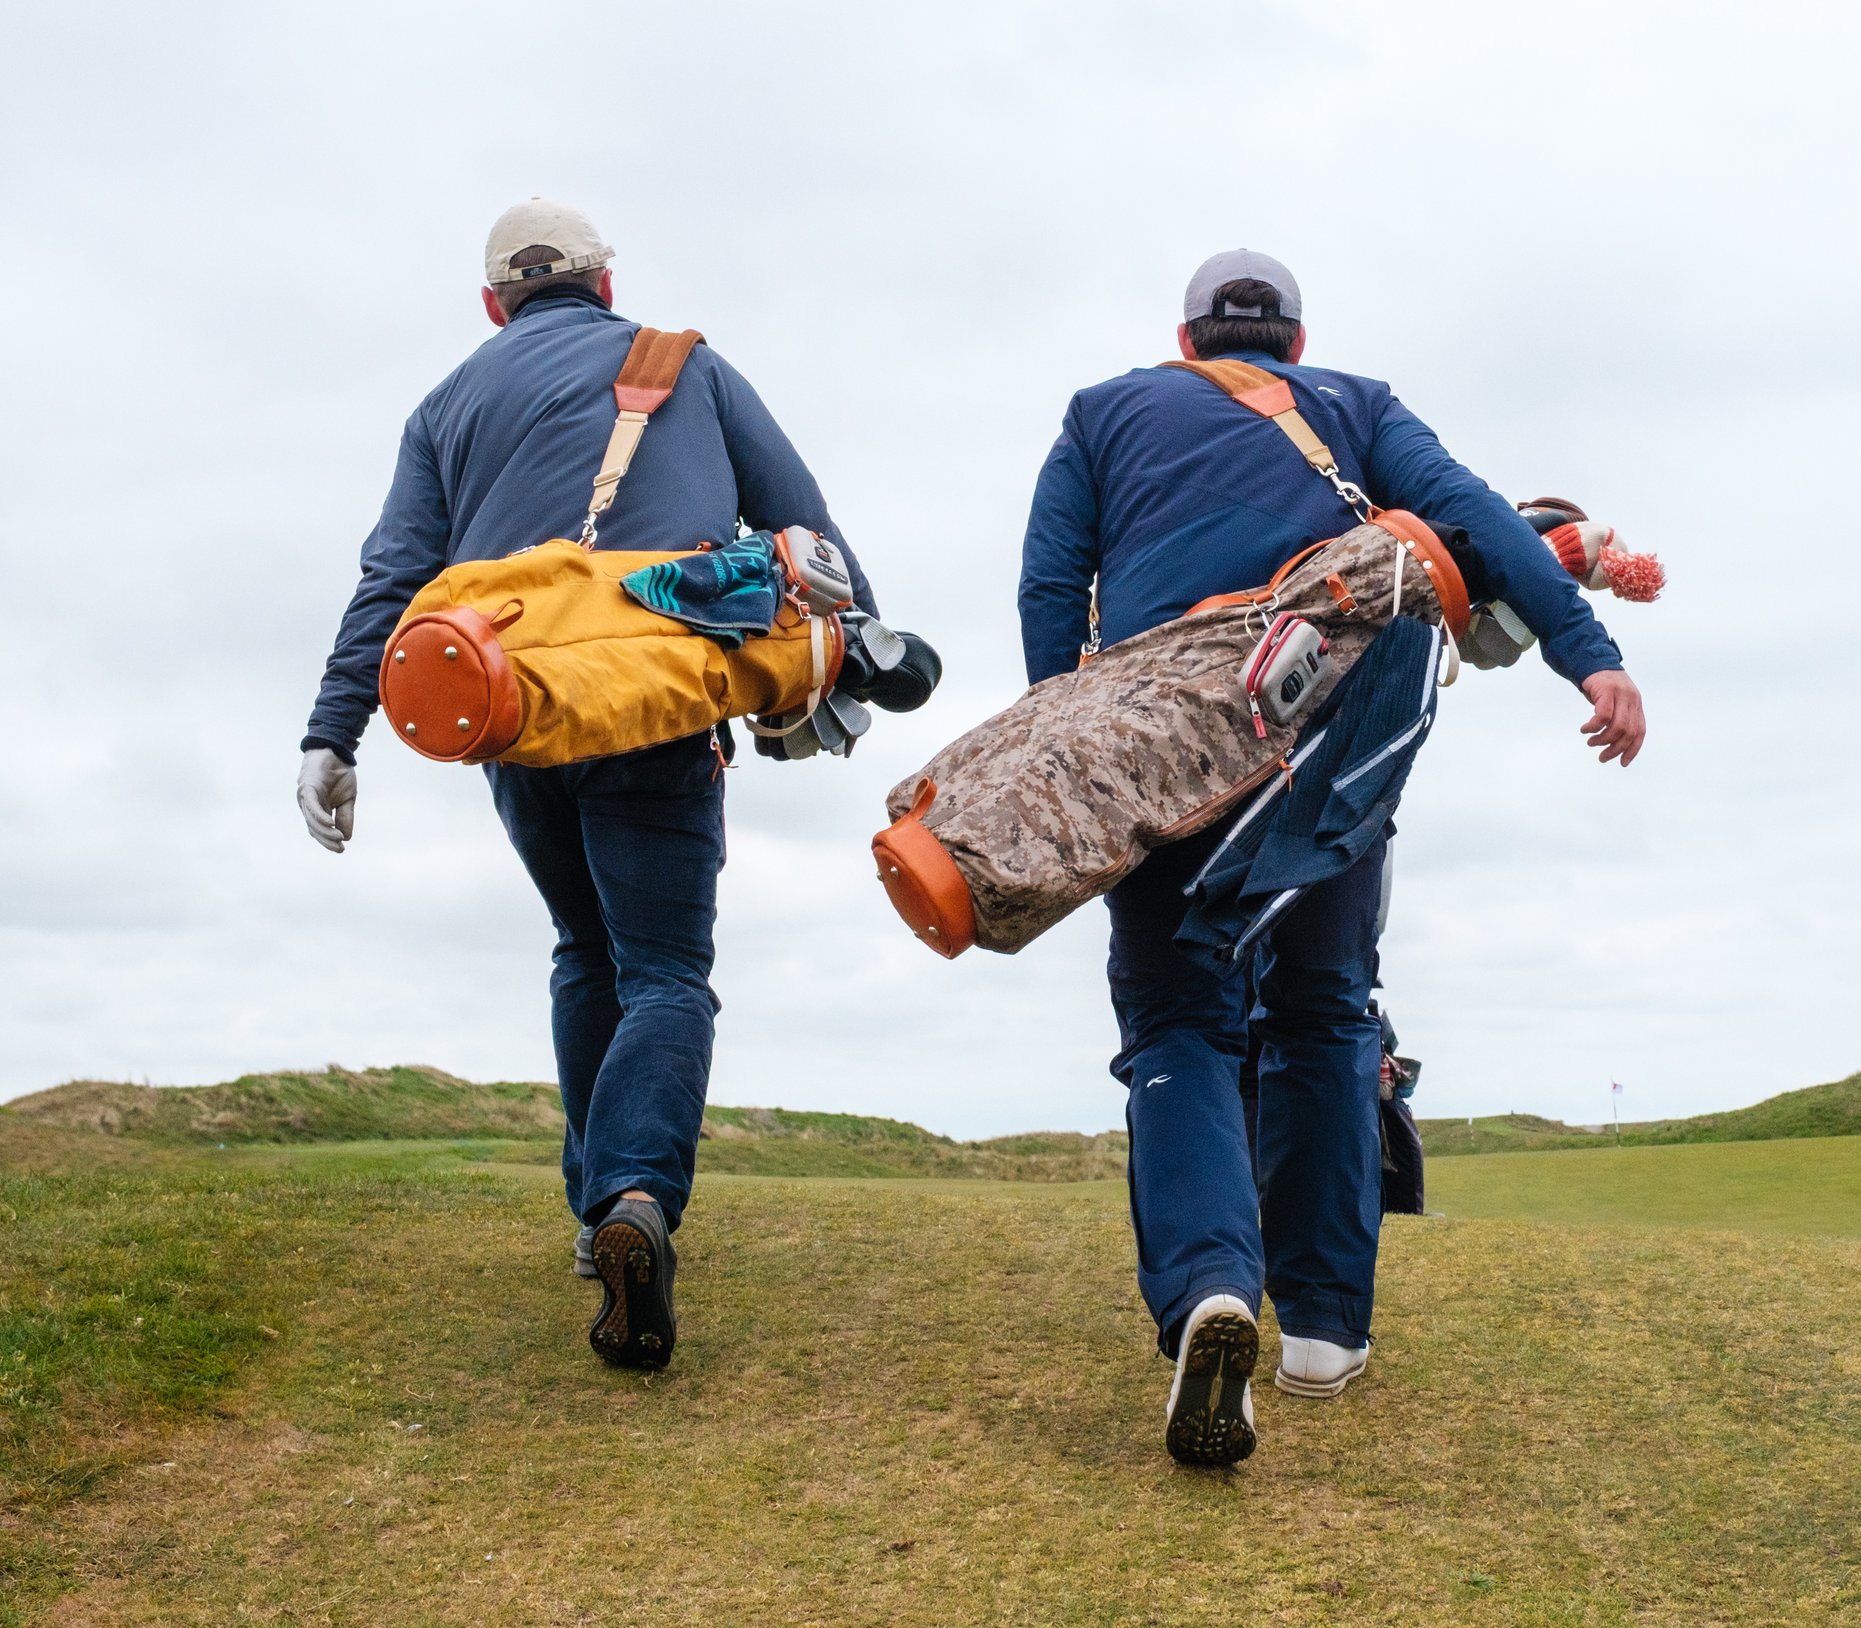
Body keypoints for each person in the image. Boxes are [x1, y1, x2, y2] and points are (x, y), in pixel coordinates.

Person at [1018, 250, 1646, 1465]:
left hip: (1161, 743)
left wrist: (1067, 740)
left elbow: (1054, 584)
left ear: (1186, 338)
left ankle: (1209, 1284)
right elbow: (1473, 519)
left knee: (1178, 1018)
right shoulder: (1355, 407)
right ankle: (1319, 1331)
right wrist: (1590, 652)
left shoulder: (1102, 412)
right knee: (1321, 1010)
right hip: (1334, 752)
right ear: (1295, 346)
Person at [294, 199, 875, 1371]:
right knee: (665, 970)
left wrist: (332, 732)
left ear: (493, 303)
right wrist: (857, 658)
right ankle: (635, 1198)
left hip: (518, 716)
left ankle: (592, 1210)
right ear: (606, 287)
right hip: (657, 706)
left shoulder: (446, 404)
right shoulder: (686, 367)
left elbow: (393, 576)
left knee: (581, 948)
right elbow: (813, 534)